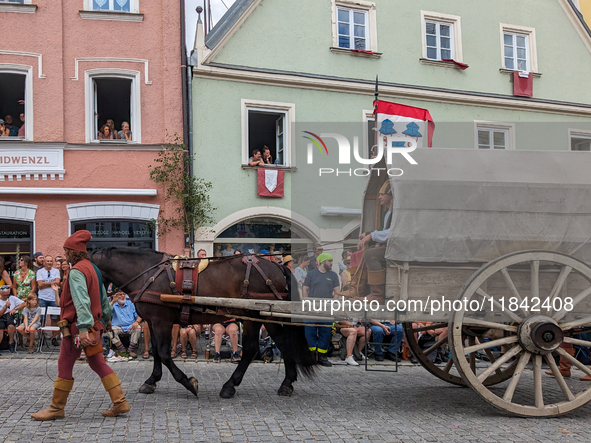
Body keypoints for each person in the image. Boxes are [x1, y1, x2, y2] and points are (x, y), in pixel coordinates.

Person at [31, 230, 130, 420]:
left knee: (65, 362)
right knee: (98, 362)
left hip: (78, 328)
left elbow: (82, 301)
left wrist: (83, 328)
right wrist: (106, 321)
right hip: (95, 325)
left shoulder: (76, 272)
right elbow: (103, 299)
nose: (65, 254)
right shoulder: (93, 268)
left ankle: (56, 408)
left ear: (72, 252)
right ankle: (120, 402)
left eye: (66, 250)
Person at [356, 181, 393, 303]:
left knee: (371, 254)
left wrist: (371, 235)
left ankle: (377, 295)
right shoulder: (387, 213)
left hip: (397, 249)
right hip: (390, 247)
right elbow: (383, 231)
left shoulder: (397, 213)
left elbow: (392, 232)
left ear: (391, 196)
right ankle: (358, 289)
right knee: (360, 254)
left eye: (382, 194)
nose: (379, 197)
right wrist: (369, 235)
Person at [303, 252, 339, 367]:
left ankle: (322, 356)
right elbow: (305, 289)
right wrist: (306, 302)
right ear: (323, 261)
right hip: (312, 308)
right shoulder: (311, 274)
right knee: (309, 332)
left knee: (325, 332)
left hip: (326, 308)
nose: (331, 263)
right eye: (329, 261)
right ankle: (312, 355)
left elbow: (337, 291)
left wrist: (333, 304)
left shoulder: (333, 275)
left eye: (331, 261)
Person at [37, 255, 61, 345]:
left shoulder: (56, 271)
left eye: (51, 261)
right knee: (42, 318)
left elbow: (58, 282)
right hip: (42, 297)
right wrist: (52, 283)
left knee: (54, 318)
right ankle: (42, 338)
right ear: (44, 262)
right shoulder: (40, 272)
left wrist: (44, 284)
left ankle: (54, 337)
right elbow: (39, 284)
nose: (50, 263)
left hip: (53, 297)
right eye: (48, 261)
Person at [110, 291, 142, 358]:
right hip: (117, 327)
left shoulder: (130, 303)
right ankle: (122, 350)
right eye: (120, 295)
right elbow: (106, 313)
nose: (123, 296)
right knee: (110, 331)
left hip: (130, 326)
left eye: (124, 294)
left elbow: (140, 315)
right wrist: (113, 301)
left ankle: (131, 350)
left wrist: (137, 322)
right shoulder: (113, 305)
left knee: (138, 328)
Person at [0, 285, 25, 353]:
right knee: (0, 328)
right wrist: (5, 307)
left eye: (8, 294)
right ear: (1, 294)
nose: (7, 296)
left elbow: (24, 304)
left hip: (11, 316)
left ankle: (11, 343)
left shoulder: (12, 298)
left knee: (11, 326)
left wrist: (15, 309)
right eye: (5, 295)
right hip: (1, 317)